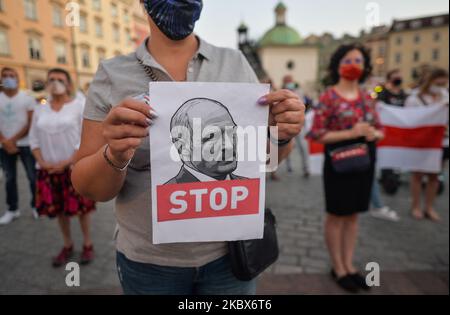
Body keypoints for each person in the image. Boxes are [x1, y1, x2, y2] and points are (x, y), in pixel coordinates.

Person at [71, 0, 304, 295]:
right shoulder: (112, 74)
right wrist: (114, 154)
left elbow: (266, 160)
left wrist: (281, 133)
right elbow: (89, 187)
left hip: (230, 257)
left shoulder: (234, 63)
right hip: (149, 262)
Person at [309, 44, 384, 293]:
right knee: (337, 214)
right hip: (339, 163)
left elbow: (381, 130)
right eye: (348, 59)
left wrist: (373, 132)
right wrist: (351, 132)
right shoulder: (329, 96)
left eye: (359, 60)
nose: (354, 64)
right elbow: (317, 133)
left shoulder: (366, 97)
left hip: (364, 162)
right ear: (338, 65)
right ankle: (338, 267)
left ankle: (350, 265)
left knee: (353, 216)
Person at [29, 68, 96, 267]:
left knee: (82, 210)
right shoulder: (40, 108)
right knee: (59, 210)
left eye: (60, 79)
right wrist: (42, 162)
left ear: (68, 84)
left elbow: (86, 138)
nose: (55, 82)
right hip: (48, 170)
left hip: (73, 169)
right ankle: (67, 245)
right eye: (51, 79)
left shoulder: (79, 105)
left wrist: (66, 162)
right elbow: (33, 139)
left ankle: (87, 243)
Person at [404, 68, 449, 222]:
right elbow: (409, 120)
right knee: (417, 175)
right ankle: (416, 205)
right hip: (422, 143)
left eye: (444, 83)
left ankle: (429, 207)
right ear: (430, 81)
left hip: (442, 142)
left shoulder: (445, 96)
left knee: (434, 176)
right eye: (438, 83)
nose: (441, 86)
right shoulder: (414, 98)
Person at [0, 67, 37, 225]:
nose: (9, 78)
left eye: (12, 75)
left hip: (25, 144)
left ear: (17, 78)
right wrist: (4, 141)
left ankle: (36, 205)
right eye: (5, 76)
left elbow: (30, 122)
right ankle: (12, 209)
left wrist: (12, 140)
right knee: (9, 178)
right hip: (4, 145)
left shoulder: (26, 98)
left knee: (32, 176)